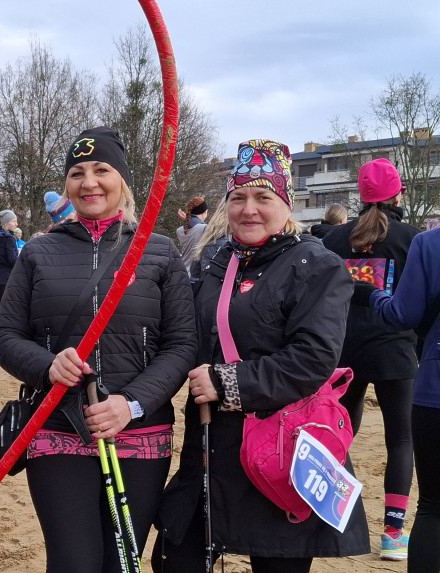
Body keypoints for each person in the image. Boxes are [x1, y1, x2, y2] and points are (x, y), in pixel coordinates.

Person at [156, 139, 369, 572]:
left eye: (262, 197)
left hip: (279, 448)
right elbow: (187, 337)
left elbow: (313, 358)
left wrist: (226, 382)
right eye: (238, 198)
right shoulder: (216, 262)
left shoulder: (317, 265)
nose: (248, 209)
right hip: (210, 448)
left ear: (285, 203)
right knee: (174, 556)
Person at [0, 127, 197, 572]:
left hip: (138, 434)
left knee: (121, 563)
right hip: (58, 429)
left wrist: (133, 403)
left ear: (122, 180)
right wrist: (48, 367)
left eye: (101, 170)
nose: (89, 182)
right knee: (73, 563)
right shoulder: (38, 253)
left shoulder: (159, 252)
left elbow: (182, 345)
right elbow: (5, 336)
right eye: (77, 172)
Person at [322, 158, 418, 560]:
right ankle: (393, 534)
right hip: (396, 349)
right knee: (401, 439)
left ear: (359, 196)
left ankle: (334, 521)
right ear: (399, 194)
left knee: (339, 434)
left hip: (343, 349)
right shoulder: (411, 239)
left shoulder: (334, 240)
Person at [365, 226, 440, 572]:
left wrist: (373, 296)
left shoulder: (430, 243)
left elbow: (404, 315)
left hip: (435, 389)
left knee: (433, 508)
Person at [175, 196, 209, 279]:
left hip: (182, 273)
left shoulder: (179, 230)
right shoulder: (204, 228)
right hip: (196, 275)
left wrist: (187, 219)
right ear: (204, 212)